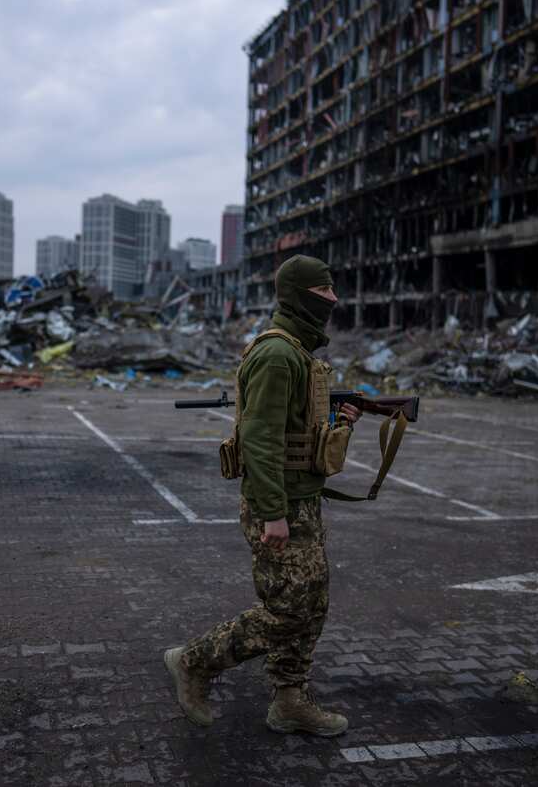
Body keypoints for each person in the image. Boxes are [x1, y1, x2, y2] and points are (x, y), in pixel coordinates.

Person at [163, 254, 360, 736]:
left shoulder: (299, 351)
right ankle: (194, 662)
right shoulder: (277, 355)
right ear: (299, 295)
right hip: (280, 507)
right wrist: (274, 513)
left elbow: (294, 431)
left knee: (310, 607)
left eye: (332, 290)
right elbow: (261, 439)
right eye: (323, 292)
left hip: (301, 500)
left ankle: (290, 700)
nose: (333, 300)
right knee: (287, 610)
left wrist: (339, 425)